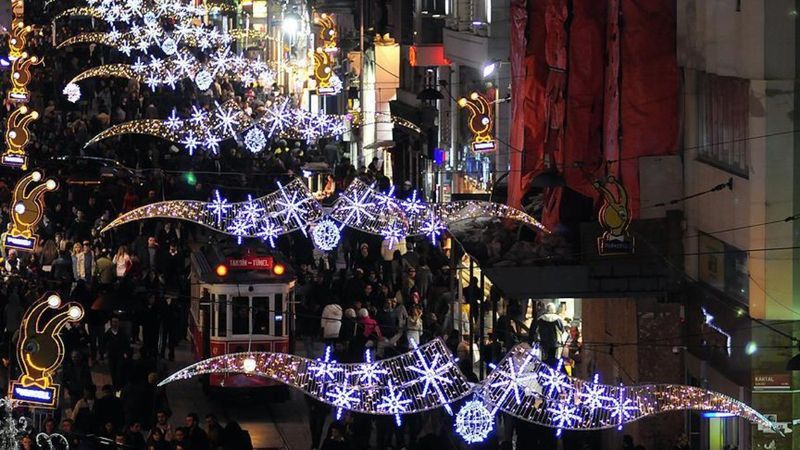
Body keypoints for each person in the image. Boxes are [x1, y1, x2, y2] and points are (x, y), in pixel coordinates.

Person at [104, 316, 132, 390]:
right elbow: (103, 344)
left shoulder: (122, 333)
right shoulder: (108, 333)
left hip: (120, 355)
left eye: (116, 322)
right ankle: (115, 386)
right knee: (113, 372)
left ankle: (120, 386)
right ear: (111, 323)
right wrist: (105, 353)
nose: (115, 323)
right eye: (114, 322)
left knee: (120, 372)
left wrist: (126, 353)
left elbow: (127, 344)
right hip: (111, 356)